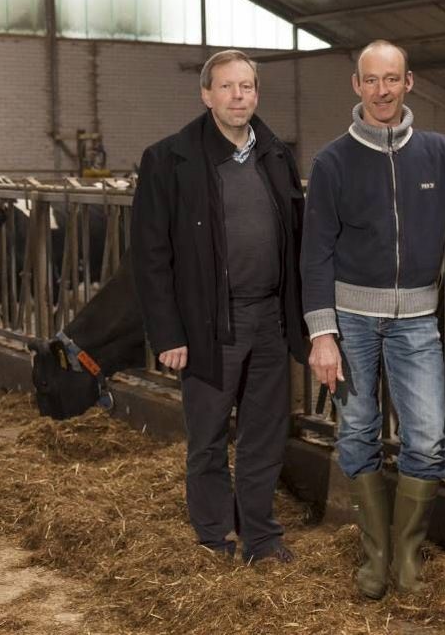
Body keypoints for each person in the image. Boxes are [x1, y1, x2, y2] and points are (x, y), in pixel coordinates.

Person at [301, 39, 445, 598]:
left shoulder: (438, 153)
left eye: (392, 79)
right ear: (357, 86)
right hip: (351, 318)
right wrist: (321, 334)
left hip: (417, 320)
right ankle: (375, 557)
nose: (382, 90)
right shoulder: (332, 161)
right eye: (371, 80)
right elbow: (315, 252)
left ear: (410, 83)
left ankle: (407, 556)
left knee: (428, 439)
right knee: (358, 430)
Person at [131, 49, 307, 564]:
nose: (238, 97)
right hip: (209, 323)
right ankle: (213, 537)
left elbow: (293, 236)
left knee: (264, 434)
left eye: (247, 87)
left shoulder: (275, 153)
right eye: (227, 87)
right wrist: (168, 334)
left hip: (269, 319)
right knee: (207, 437)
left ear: (257, 93)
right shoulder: (169, 158)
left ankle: (262, 536)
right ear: (206, 93)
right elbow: (150, 255)